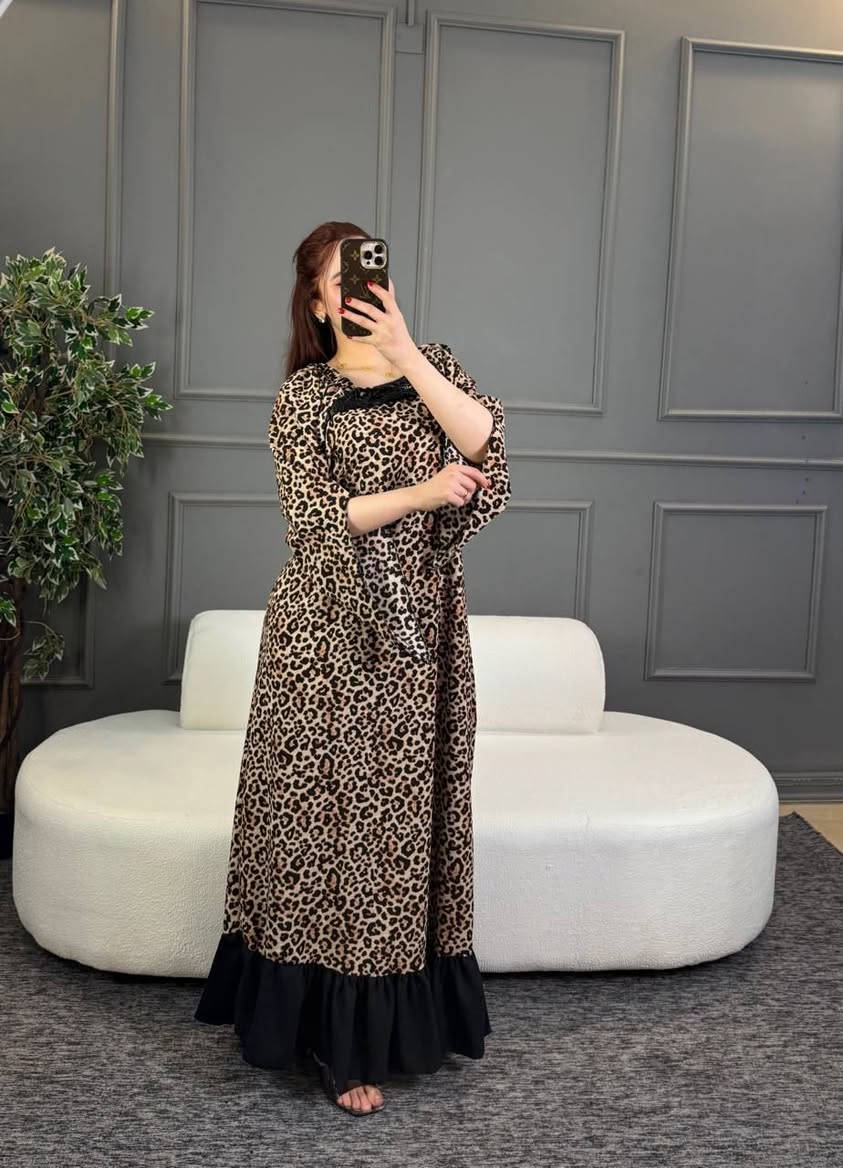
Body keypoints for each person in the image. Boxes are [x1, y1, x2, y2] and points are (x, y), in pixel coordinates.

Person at [194, 221, 511, 1115]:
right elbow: (312, 519)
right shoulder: (303, 397)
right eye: (342, 281)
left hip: (420, 634)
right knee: (318, 827)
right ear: (316, 300)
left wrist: (405, 352)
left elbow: (486, 443)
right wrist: (421, 492)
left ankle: (378, 1028)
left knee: (398, 831)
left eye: (371, 275)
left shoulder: (432, 362)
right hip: (323, 635)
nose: (361, 291)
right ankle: (334, 1043)